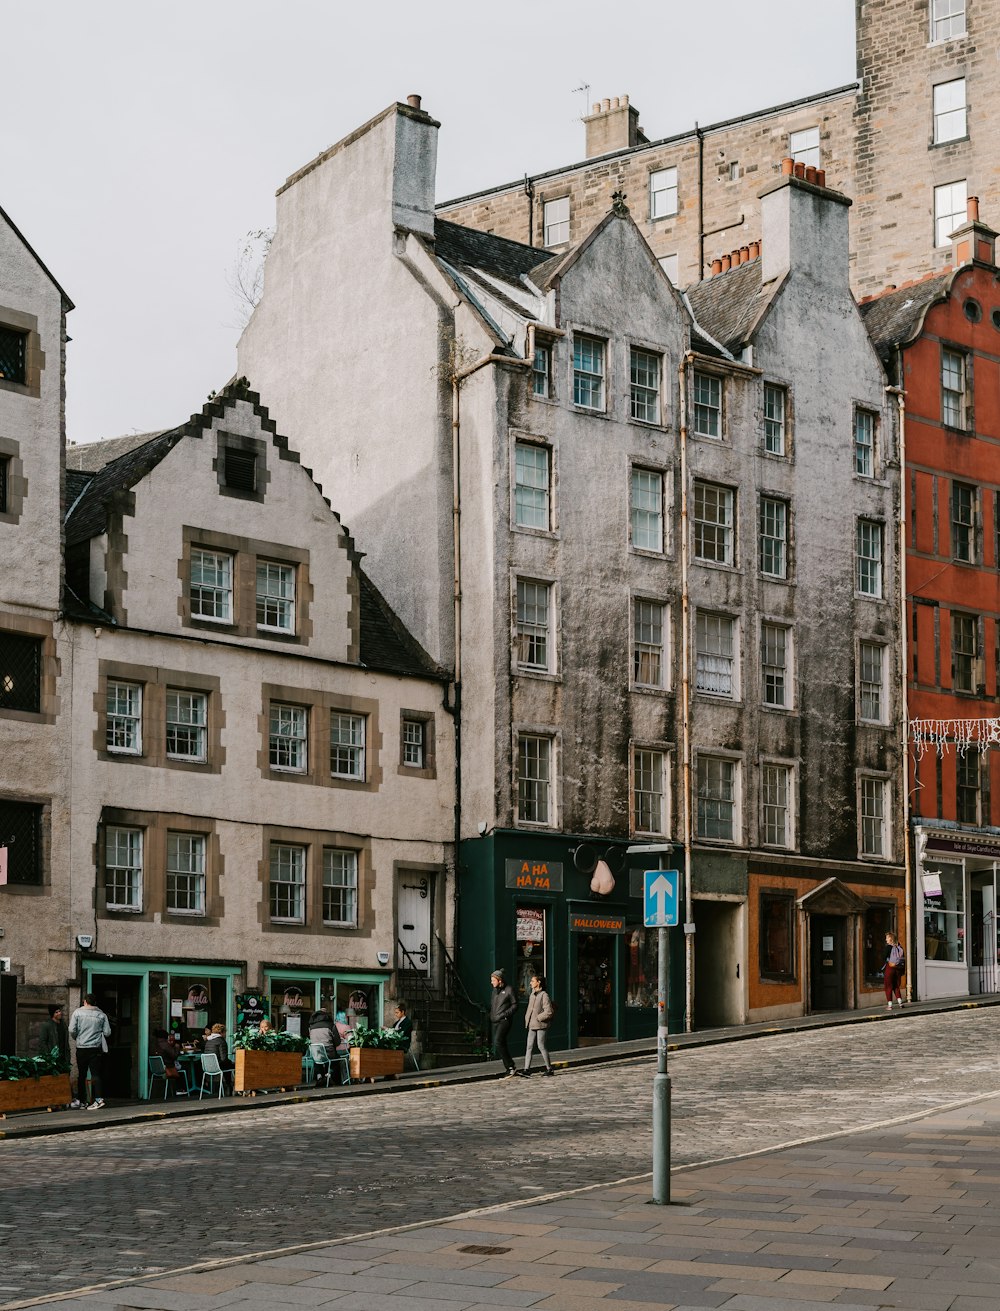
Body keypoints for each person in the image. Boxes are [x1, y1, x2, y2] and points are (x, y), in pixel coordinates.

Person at [68, 994, 111, 1110]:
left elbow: (72, 1029)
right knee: (95, 1074)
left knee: (81, 1075)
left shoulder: (77, 1013)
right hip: (95, 1048)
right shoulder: (102, 1015)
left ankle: (83, 1101)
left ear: (85, 1002)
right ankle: (98, 1099)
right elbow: (107, 1032)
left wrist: (78, 1037)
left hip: (82, 1047)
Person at [522, 975, 555, 1077]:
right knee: (529, 1046)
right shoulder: (532, 995)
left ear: (539, 982)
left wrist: (538, 1018)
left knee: (541, 1046)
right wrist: (527, 1020)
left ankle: (549, 1068)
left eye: (532, 981)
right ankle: (526, 1069)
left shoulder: (544, 995)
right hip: (532, 1024)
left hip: (541, 1025)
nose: (530, 983)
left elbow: (549, 1011)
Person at [489, 968, 517, 1078]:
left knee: (498, 1041)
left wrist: (504, 1014)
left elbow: (515, 1005)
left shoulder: (509, 990)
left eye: (493, 980)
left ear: (499, 980)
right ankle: (509, 1068)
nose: (491, 982)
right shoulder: (494, 991)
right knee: (501, 1043)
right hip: (495, 1021)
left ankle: (511, 1066)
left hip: (504, 1021)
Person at [883, 931, 905, 1010]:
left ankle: (890, 1005)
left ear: (891, 939)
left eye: (887, 938)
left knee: (888, 986)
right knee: (896, 986)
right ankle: (900, 1003)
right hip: (898, 969)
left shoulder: (888, 947)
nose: (886, 940)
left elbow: (883, 957)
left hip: (890, 968)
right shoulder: (899, 947)